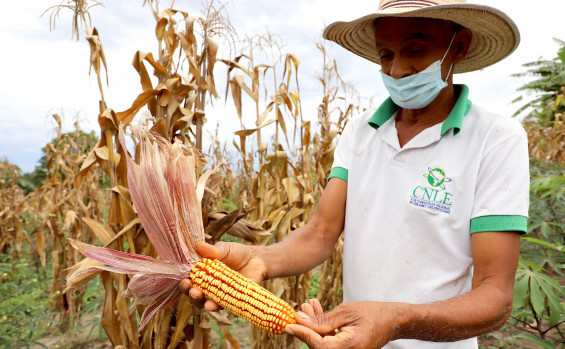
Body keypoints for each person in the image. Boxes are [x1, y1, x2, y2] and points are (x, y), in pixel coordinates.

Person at [180, 1, 530, 348]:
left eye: (416, 50)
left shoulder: (495, 139)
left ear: (460, 46)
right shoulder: (361, 130)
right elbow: (320, 232)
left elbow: (494, 295)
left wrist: (394, 321)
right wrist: (262, 259)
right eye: (385, 55)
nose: (396, 71)